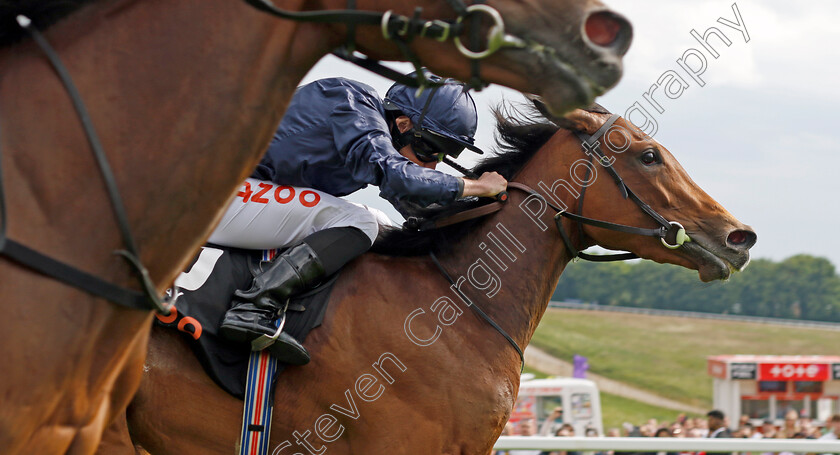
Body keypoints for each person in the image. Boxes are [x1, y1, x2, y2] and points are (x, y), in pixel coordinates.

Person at [209, 72, 508, 364]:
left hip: (242, 195)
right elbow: (400, 178)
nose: (430, 165)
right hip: (216, 193)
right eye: (428, 149)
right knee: (360, 222)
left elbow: (412, 204)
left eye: (442, 157)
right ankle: (254, 306)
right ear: (402, 123)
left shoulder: (370, 133)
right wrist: (478, 186)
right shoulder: (351, 103)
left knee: (378, 223)